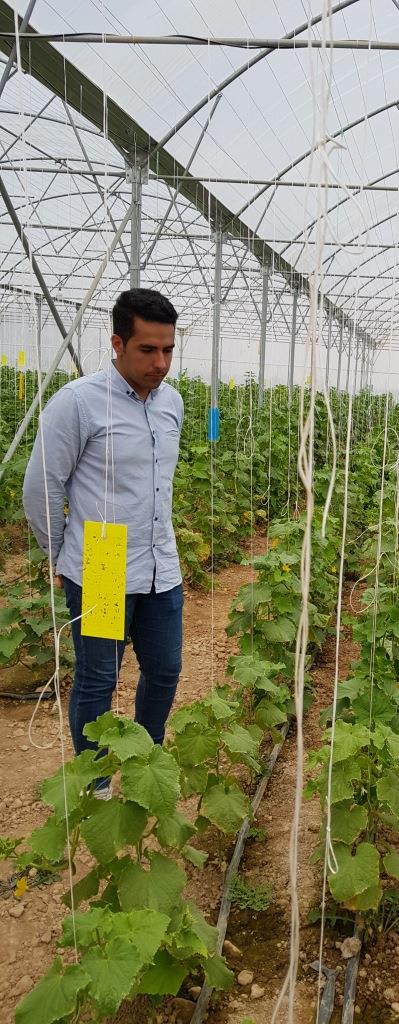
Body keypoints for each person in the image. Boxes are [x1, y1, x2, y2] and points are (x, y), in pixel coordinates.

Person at [23, 288, 184, 796]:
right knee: (98, 679)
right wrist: (62, 555)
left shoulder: (172, 403)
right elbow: (41, 486)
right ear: (117, 343)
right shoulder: (78, 402)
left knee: (165, 670)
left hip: (162, 560)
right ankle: (96, 783)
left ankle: (147, 766)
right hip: (104, 560)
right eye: (147, 350)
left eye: (168, 350)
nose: (160, 363)